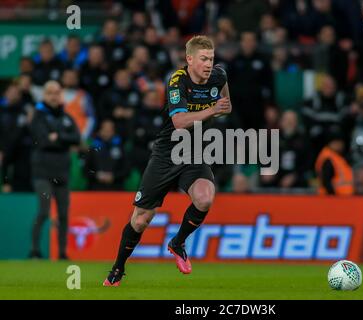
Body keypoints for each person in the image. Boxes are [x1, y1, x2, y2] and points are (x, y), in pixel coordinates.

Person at [103, 35, 232, 286]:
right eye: (204, 59)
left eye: (212, 59)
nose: (208, 64)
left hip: (194, 152)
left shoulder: (219, 76)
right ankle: (118, 267)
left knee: (205, 197)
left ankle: (178, 242)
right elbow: (180, 122)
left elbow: (226, 105)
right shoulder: (177, 82)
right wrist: (212, 110)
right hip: (166, 153)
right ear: (189, 59)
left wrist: (220, 107)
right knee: (141, 219)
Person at [29, 81, 81, 259]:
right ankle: (35, 250)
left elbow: (77, 138)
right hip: (42, 170)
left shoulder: (66, 116)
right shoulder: (38, 116)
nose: (54, 96)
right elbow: (42, 140)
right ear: (44, 95)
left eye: (57, 92)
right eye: (50, 92)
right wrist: (62, 139)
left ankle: (62, 252)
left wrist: (57, 137)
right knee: (44, 211)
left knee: (64, 214)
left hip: (62, 171)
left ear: (61, 95)